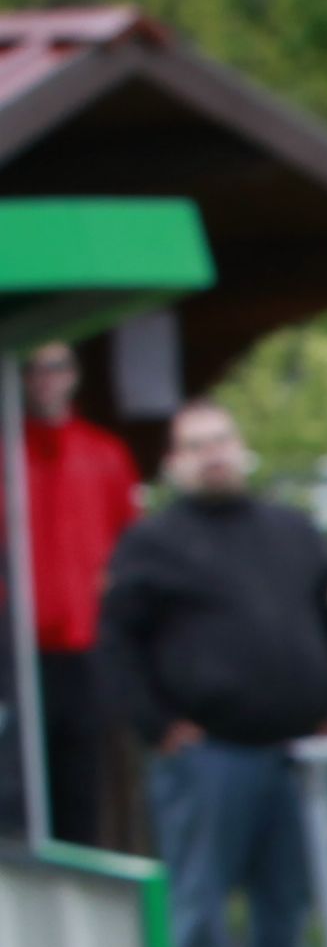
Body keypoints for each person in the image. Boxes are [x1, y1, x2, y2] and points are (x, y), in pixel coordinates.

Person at [98, 399, 327, 947]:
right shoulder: (152, 543)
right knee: (200, 885)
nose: (213, 455)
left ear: (241, 448)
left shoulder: (292, 530)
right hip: (205, 748)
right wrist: (155, 724)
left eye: (222, 441)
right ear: (174, 462)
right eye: (197, 445)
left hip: (293, 744)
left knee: (289, 886)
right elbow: (117, 642)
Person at [21, 346, 139, 844]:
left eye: (56, 368)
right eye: (32, 369)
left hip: (87, 646)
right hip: (17, 652)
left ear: (73, 375)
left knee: (84, 781)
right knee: (20, 782)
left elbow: (130, 546)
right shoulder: (10, 450)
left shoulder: (104, 454)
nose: (44, 379)